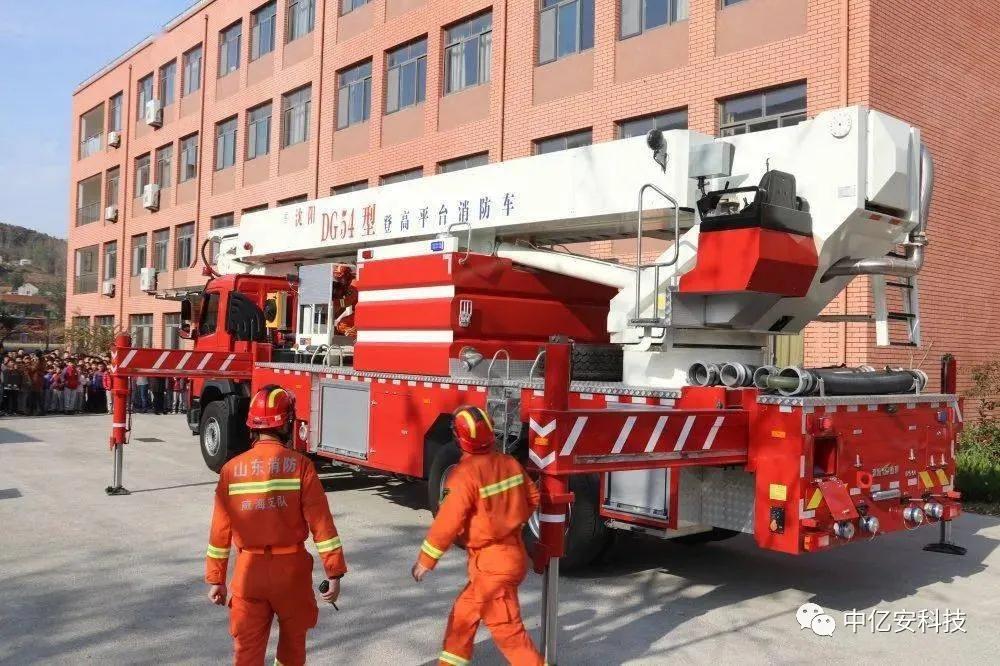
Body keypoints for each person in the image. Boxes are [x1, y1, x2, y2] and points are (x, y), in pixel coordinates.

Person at [205, 385, 347, 666]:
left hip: (249, 573)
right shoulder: (301, 466)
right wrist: (334, 571)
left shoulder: (230, 470)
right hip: (291, 573)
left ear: (252, 426)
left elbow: (219, 532)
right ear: (286, 424)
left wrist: (216, 579)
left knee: (247, 653)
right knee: (292, 650)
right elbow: (322, 525)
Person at [412, 406, 543, 666]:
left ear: (459, 439)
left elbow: (447, 522)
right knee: (463, 617)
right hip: (510, 555)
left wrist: (426, 560)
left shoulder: (464, 475)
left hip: (491, 567)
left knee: (509, 634)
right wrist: (509, 523)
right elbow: (533, 498)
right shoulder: (509, 463)